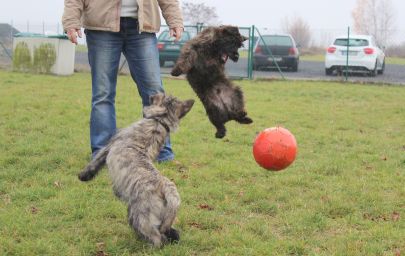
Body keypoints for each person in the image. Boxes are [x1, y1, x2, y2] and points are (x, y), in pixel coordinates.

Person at [62, 0, 184, 162]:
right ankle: (102, 153)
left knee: (155, 93)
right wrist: (71, 20)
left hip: (142, 27)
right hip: (101, 26)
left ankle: (161, 151)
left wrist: (175, 20)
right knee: (103, 94)